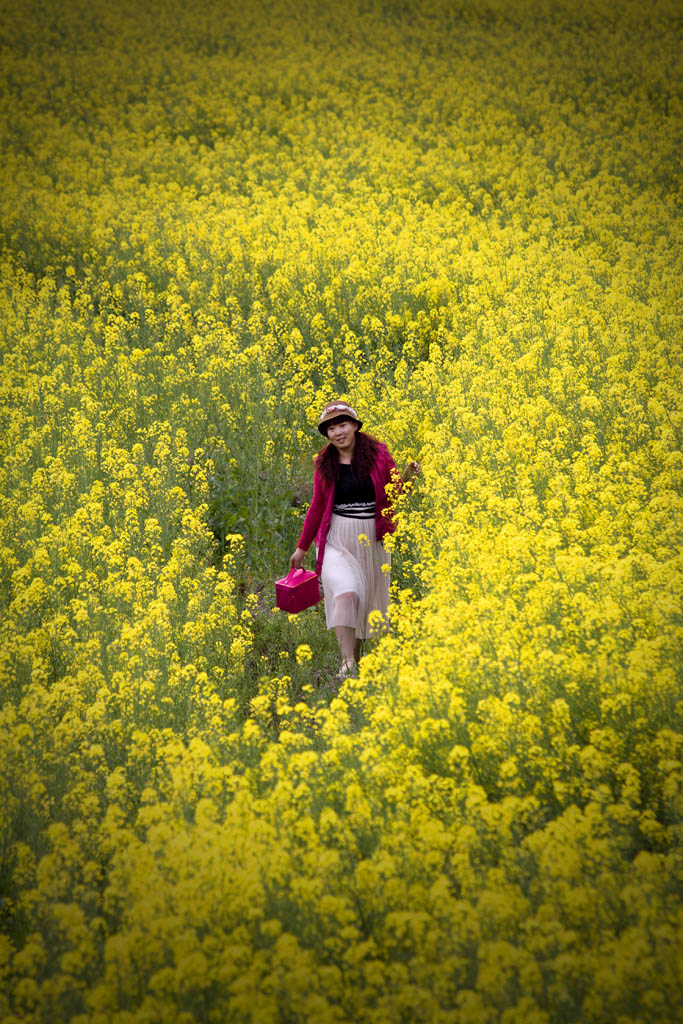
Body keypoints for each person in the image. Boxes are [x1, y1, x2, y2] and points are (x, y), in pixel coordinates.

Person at [290, 400, 420, 682]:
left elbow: (393, 493)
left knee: (364, 599)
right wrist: (302, 548)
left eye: (342, 425)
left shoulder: (378, 455)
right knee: (346, 592)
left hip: (372, 539)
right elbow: (316, 506)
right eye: (331, 428)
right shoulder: (324, 463)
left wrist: (408, 476)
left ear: (355, 426)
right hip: (337, 537)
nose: (337, 432)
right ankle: (348, 662)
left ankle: (358, 657)